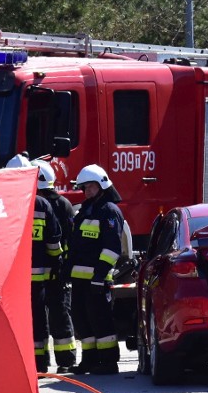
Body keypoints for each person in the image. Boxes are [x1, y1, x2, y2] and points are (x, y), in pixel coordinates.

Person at [6, 154, 62, 373]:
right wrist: (54, 264)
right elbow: (53, 241)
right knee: (38, 318)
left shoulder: (2, 201)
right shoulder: (42, 204)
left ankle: (15, 362)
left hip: (11, 277)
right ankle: (39, 363)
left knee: (13, 318)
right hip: (38, 276)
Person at [67, 164, 125, 375]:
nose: (87, 191)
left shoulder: (109, 211)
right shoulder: (85, 211)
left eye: (91, 186)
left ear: (101, 185)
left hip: (97, 279)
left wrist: (99, 276)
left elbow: (112, 248)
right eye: (85, 187)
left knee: (101, 321)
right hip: (80, 279)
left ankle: (109, 362)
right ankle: (89, 361)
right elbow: (76, 246)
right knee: (83, 321)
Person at [32, 159, 77, 373]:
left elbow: (63, 239)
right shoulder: (62, 204)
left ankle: (58, 360)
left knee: (50, 314)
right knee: (57, 314)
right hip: (54, 270)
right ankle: (65, 360)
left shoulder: (45, 204)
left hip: (49, 272)